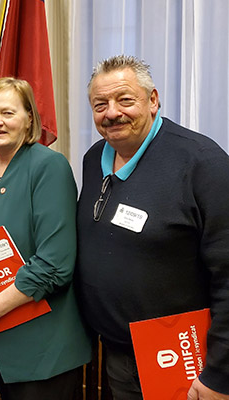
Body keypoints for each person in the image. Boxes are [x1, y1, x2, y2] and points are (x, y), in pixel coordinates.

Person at [76, 55, 229, 400]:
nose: (112, 112)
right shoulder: (93, 158)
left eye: (125, 100)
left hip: (182, 358)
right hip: (114, 351)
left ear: (153, 100)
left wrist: (220, 375)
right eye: (100, 104)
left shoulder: (204, 164)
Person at [0, 77, 92, 400]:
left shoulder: (49, 166)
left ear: (29, 119)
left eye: (8, 113)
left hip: (41, 339)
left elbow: (55, 263)